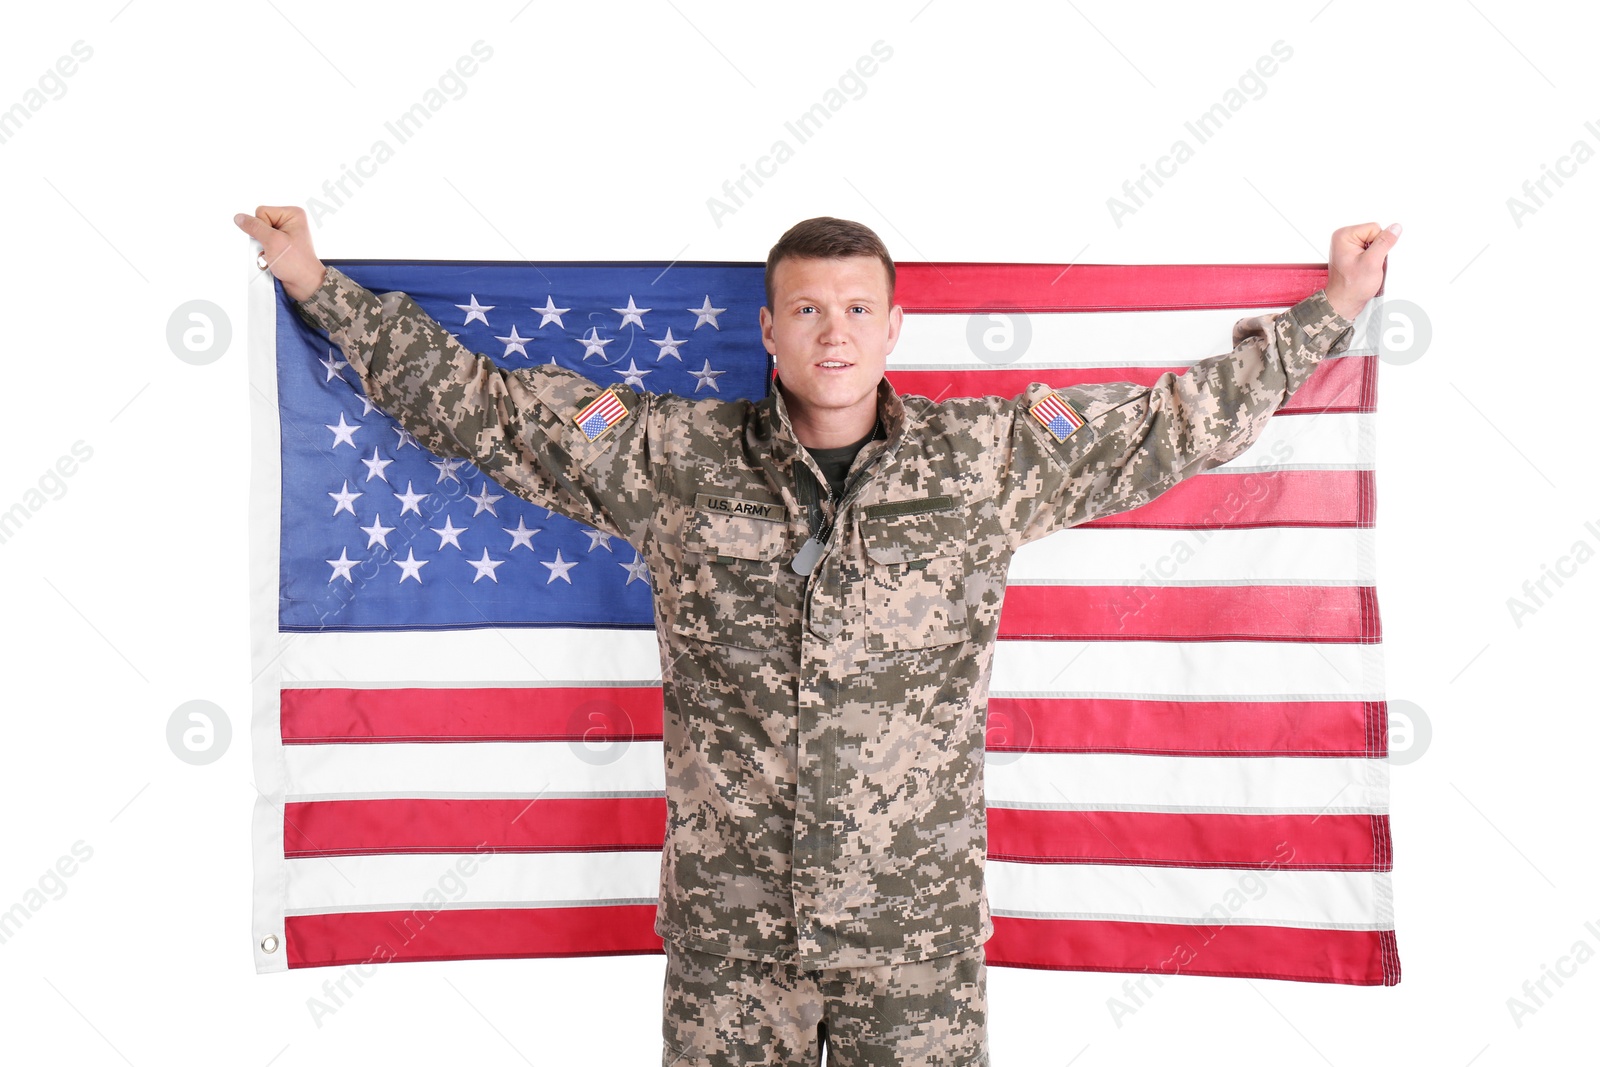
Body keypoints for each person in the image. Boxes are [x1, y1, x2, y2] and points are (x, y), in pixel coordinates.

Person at [235, 206, 1398, 1066]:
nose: (831, 333)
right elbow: (483, 406)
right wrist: (317, 284)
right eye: (805, 308)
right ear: (769, 329)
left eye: (854, 309)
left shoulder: (986, 459)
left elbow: (1169, 424)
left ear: (896, 325)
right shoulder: (670, 459)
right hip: (731, 946)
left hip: (915, 939)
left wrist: (1331, 310)